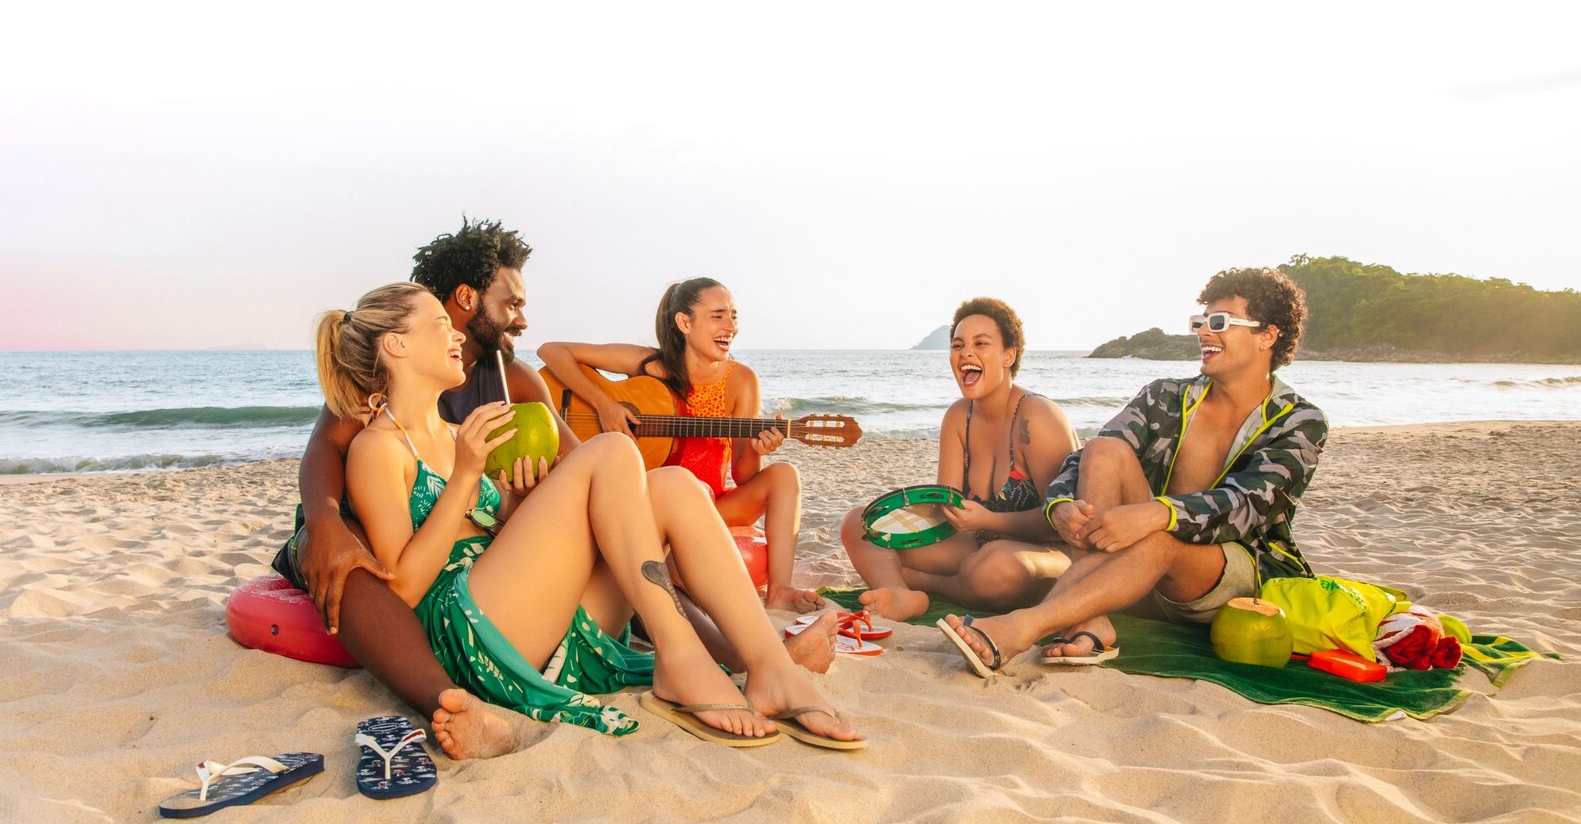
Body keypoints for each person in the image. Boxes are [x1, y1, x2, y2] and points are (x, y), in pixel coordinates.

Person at [274, 223, 837, 759]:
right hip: (472, 631)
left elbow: (501, 529)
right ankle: (680, 656)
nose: (454, 335)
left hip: (527, 611)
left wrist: (520, 499)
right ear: (396, 347)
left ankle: (769, 667)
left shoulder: (464, 426)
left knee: (674, 485)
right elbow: (406, 588)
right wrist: (469, 475)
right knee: (614, 451)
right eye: (438, 326)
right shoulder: (379, 448)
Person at [940, 267, 1328, 673]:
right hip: (1131, 575)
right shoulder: (1165, 396)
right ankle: (1091, 621)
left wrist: (1157, 513)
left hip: (1232, 580)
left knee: (1160, 539)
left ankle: (1023, 627)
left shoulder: (1299, 422)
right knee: (1106, 450)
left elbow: (1249, 502)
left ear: (1268, 335)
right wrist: (1058, 508)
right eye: (1200, 322)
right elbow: (1082, 457)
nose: (1203, 333)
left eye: (1219, 323)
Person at [537, 278, 822, 613]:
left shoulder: (742, 381)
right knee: (689, 486)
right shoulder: (649, 364)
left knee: (784, 474)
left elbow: (744, 476)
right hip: (647, 506)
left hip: (712, 506)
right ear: (685, 323)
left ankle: (779, 590)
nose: (730, 326)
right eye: (718, 316)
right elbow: (551, 351)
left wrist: (757, 450)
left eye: (734, 316)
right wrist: (604, 405)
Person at [838, 298, 1079, 620]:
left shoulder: (1038, 417)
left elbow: (1060, 524)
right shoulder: (957, 417)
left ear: (1010, 354)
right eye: (958, 345)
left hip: (1045, 553)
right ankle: (898, 592)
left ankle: (918, 583)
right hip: (973, 544)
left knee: (993, 567)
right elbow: (945, 512)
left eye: (981, 343)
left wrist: (988, 520)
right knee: (860, 523)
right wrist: (911, 512)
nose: (965, 353)